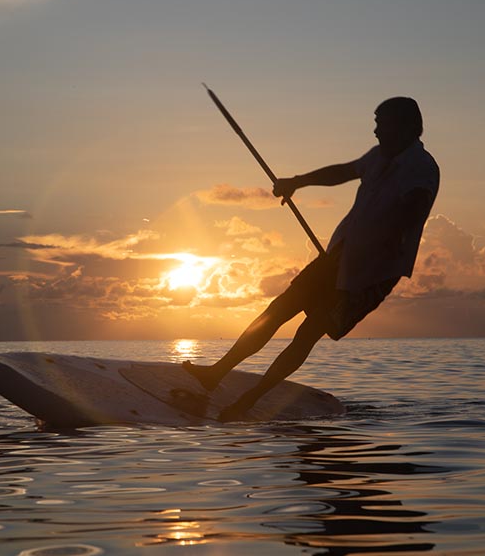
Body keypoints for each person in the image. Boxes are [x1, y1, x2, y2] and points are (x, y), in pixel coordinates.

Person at [184, 96, 440, 421]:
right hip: (338, 258)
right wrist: (298, 182)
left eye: (381, 123)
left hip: (371, 275)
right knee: (277, 310)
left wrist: (382, 240)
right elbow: (343, 172)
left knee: (307, 333)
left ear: (405, 126)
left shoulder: (421, 168)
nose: (375, 130)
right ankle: (215, 373)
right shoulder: (378, 157)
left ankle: (249, 401)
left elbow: (414, 209)